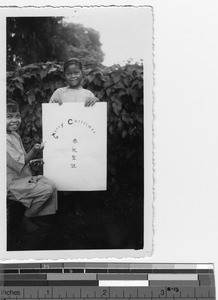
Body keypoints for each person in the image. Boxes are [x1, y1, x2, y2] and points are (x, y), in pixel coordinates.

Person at [6, 99, 58, 230]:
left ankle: (37, 216)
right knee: (46, 190)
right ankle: (27, 217)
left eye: (17, 116)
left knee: (51, 184)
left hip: (21, 177)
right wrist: (34, 151)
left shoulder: (13, 135)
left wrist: (33, 161)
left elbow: (21, 159)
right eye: (9, 116)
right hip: (10, 183)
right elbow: (20, 162)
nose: (15, 120)